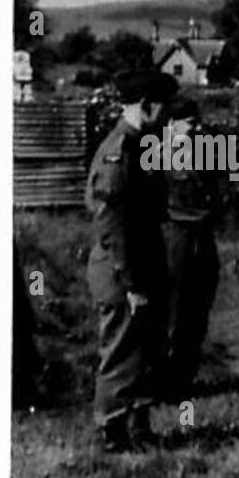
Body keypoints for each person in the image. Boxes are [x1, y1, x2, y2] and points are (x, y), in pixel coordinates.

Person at [85, 69, 175, 452]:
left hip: (143, 263)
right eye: (163, 108)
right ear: (147, 105)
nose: (167, 117)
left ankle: (138, 425)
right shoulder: (120, 149)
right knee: (121, 350)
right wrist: (132, 283)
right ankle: (111, 429)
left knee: (145, 349)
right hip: (123, 269)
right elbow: (112, 222)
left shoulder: (142, 145)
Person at [160, 96, 227, 402]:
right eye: (190, 123)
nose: (196, 128)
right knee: (172, 313)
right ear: (171, 125)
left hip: (202, 237)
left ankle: (186, 379)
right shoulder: (157, 156)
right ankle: (165, 382)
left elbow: (221, 192)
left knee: (198, 311)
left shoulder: (206, 153)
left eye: (197, 123)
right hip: (176, 238)